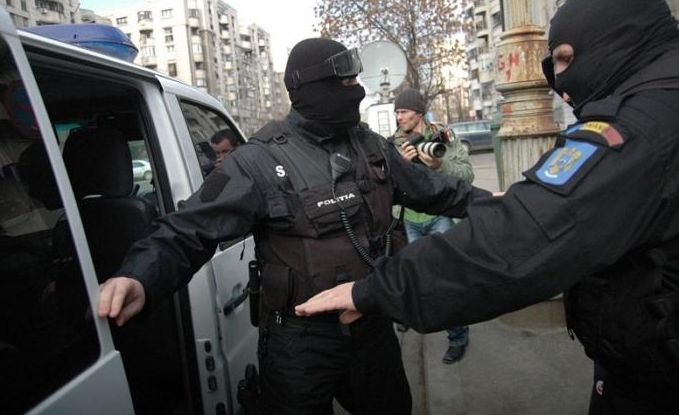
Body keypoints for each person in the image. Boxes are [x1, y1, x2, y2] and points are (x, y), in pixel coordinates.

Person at [296, 0, 679, 414]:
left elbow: (522, 238)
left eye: (565, 59)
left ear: (616, 40)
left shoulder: (640, 128)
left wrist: (380, 289)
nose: (561, 82)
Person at [97, 37, 490, 414]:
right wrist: (139, 276)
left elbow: (434, 189)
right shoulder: (257, 161)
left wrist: (498, 206)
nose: (357, 90)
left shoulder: (371, 145)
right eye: (347, 82)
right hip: (299, 343)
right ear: (314, 87)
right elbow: (188, 229)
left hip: (371, 326)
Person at [391, 88, 474, 364]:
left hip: (441, 216)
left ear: (418, 112)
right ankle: (409, 316)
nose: (398, 117)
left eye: (403, 111)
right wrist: (401, 167)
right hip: (410, 221)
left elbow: (467, 175)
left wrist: (439, 165)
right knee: (413, 277)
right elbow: (387, 187)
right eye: (396, 112)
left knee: (446, 280)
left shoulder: (443, 136)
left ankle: (458, 337)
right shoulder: (393, 144)